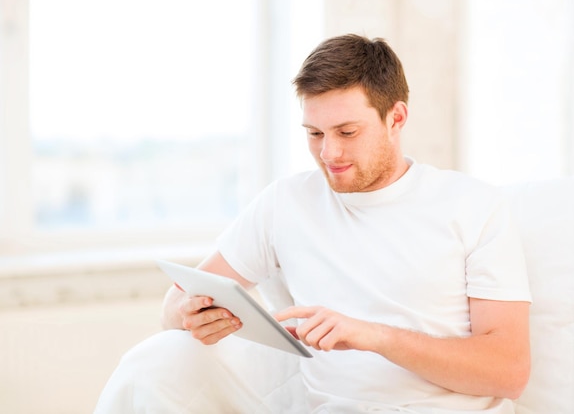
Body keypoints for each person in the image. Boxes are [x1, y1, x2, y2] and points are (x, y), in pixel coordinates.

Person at [96, 34, 531, 413]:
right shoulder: (286, 203)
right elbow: (178, 302)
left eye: (347, 132)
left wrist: (375, 336)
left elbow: (508, 371)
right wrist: (187, 313)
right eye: (314, 134)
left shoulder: (473, 206)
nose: (329, 155)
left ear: (396, 118)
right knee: (152, 359)